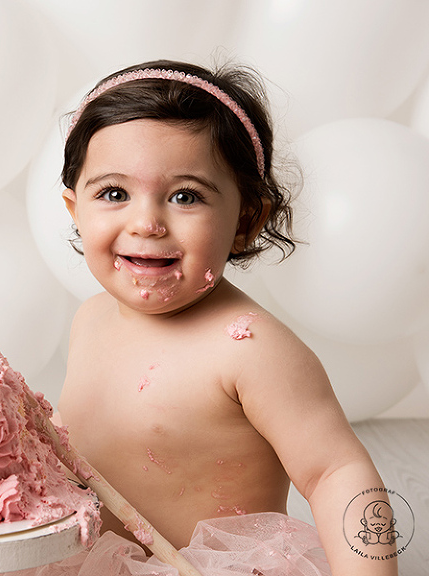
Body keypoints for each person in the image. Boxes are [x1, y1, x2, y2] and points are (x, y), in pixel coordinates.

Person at [39, 60, 396, 575]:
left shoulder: (251, 349)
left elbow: (336, 472)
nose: (146, 222)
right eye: (114, 194)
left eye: (186, 196)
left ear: (246, 221)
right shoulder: (91, 320)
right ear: (75, 210)